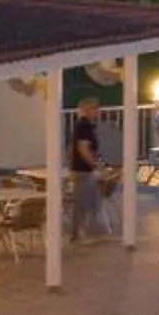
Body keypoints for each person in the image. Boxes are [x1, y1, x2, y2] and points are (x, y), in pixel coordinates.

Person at [66, 98, 106, 241]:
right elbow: (83, 148)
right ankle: (79, 234)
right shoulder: (84, 126)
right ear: (85, 110)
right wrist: (94, 165)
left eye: (97, 108)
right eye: (93, 108)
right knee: (83, 203)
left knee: (82, 203)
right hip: (83, 170)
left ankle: (78, 234)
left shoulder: (85, 126)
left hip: (80, 169)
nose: (97, 111)